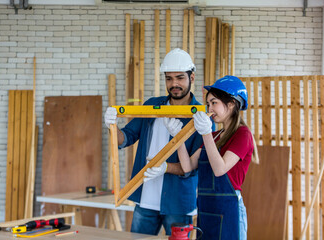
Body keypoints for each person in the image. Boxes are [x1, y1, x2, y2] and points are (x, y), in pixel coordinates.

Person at [104, 48, 213, 236]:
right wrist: (112, 125)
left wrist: (165, 167)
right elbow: (126, 137)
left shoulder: (201, 117)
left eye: (180, 77)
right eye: (169, 78)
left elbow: (193, 167)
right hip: (145, 198)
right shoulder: (151, 106)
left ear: (192, 77)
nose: (174, 84)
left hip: (178, 202)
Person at [166, 75, 259, 239]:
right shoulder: (215, 135)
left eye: (214, 103)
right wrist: (178, 138)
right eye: (208, 104)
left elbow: (220, 169)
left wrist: (206, 133)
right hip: (207, 210)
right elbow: (188, 167)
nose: (209, 109)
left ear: (231, 104)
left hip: (229, 210)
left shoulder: (242, 134)